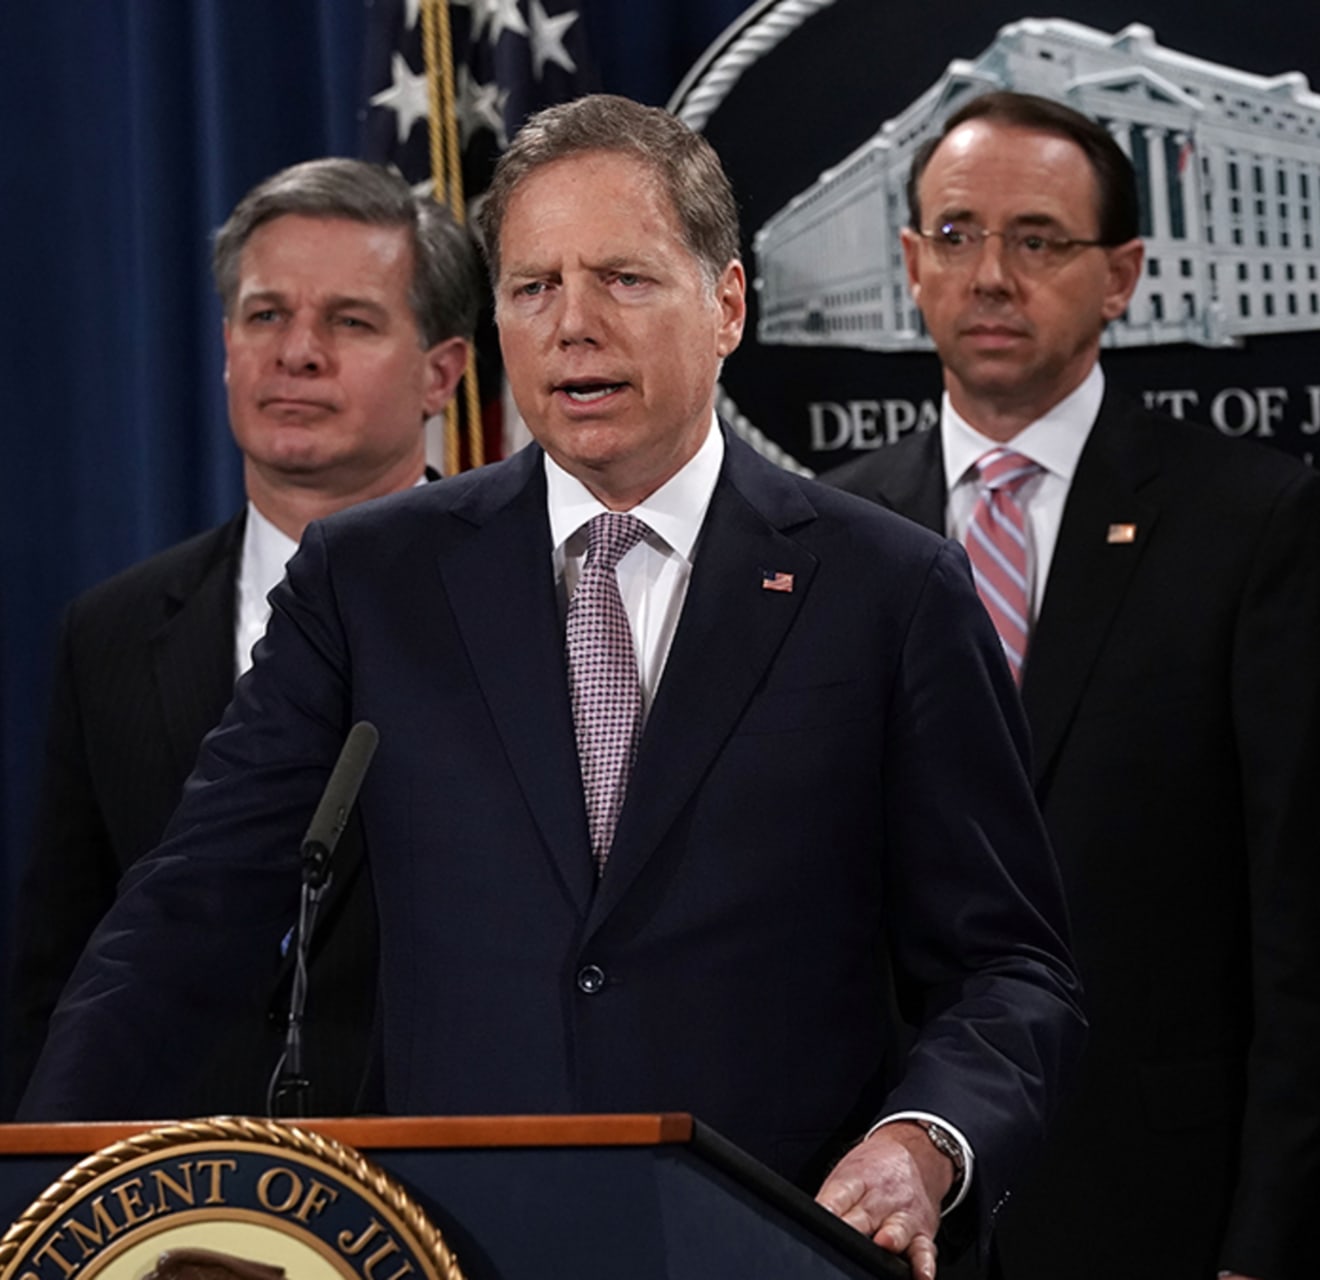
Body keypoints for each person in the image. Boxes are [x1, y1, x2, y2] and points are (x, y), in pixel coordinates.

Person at [19, 96, 1081, 1280]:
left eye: (623, 280)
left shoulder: (889, 587)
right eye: (532, 288)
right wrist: (39, 1199)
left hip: (774, 1243)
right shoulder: (374, 579)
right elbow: (189, 908)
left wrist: (920, 1142)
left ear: (727, 304)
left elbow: (1010, 967)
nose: (573, 327)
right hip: (454, 1243)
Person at [829, 92, 1320, 1280]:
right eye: (957, 234)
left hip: (1163, 1203)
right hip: (871, 1209)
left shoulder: (1255, 523)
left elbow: (1315, 936)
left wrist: (1270, 1242)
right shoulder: (828, 532)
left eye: (1037, 239)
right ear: (911, 262)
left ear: (1123, 272)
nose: (990, 274)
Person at [5, 157, 481, 1117]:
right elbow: (63, 966)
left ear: (443, 373)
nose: (297, 353)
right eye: (266, 316)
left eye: (349, 321)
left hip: (458, 1188)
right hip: (184, 1205)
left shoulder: (528, 606)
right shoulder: (113, 631)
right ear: (226, 344)